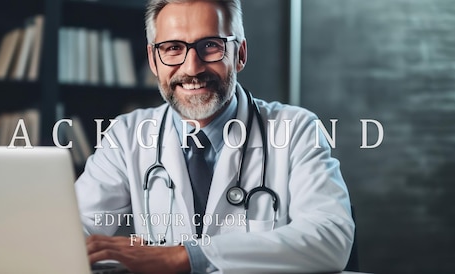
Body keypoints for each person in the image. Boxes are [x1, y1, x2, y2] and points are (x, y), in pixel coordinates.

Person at [78, 0, 355, 273]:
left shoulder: (296, 129)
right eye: (173, 48)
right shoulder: (126, 135)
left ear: (240, 54)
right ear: (153, 60)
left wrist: (187, 256)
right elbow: (71, 230)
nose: (192, 68)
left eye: (210, 45)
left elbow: (330, 237)